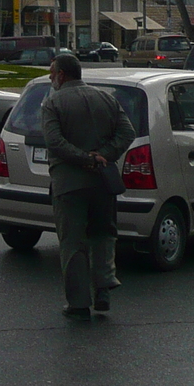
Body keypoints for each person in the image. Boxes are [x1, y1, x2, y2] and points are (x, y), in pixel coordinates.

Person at [39, 52, 135, 317]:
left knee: (72, 241)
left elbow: (55, 143)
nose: (50, 76)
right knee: (103, 234)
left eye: (52, 71)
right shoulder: (105, 98)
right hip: (103, 181)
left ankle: (79, 302)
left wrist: (85, 159)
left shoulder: (53, 103)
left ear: (61, 75)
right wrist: (104, 154)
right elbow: (127, 133)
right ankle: (103, 289)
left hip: (69, 184)